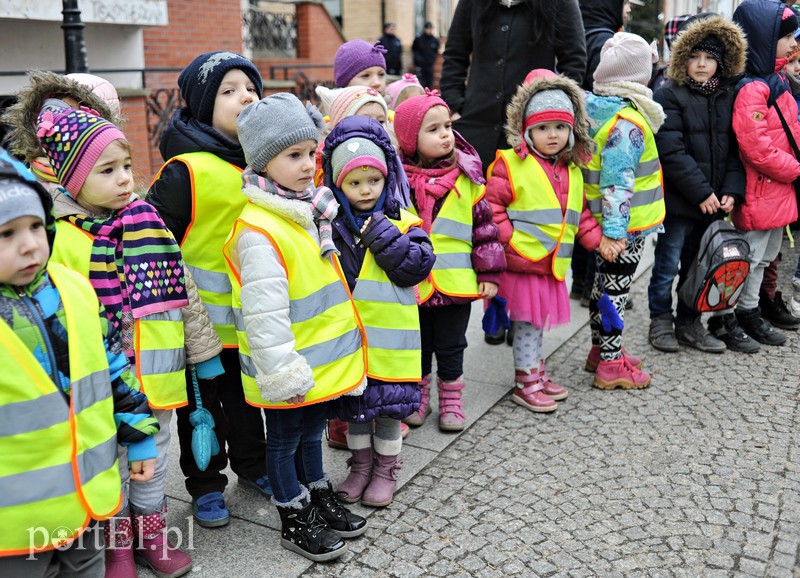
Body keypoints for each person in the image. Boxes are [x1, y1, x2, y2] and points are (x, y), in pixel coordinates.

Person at [36, 100, 223, 577]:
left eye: (125, 167)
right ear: (73, 180)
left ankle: (152, 537)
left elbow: (182, 288)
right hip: (101, 382)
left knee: (155, 455)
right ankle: (118, 546)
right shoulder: (60, 238)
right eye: (107, 171)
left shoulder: (149, 220)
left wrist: (202, 354)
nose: (124, 179)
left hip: (156, 371)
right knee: (111, 461)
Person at [0, 147, 159, 576]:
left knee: (89, 567)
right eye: (6, 234)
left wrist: (141, 436)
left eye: (36, 225)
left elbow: (112, 369)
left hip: (86, 495)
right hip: (15, 523)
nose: (30, 244)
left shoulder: (73, 289)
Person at [223, 93, 368, 562]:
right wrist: (283, 371)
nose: (309, 165)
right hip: (286, 367)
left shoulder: (304, 210)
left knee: (311, 433)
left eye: (311, 153)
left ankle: (317, 496)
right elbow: (264, 315)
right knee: (284, 440)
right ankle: (293, 514)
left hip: (316, 361)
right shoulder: (259, 230)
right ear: (265, 163)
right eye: (294, 156)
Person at [146, 51, 270, 528]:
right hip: (202, 330)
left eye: (250, 88)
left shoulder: (264, 161)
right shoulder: (185, 172)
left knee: (247, 406)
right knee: (203, 412)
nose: (246, 96)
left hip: (251, 319)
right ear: (202, 105)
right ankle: (205, 485)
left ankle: (254, 466)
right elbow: (156, 242)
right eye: (229, 90)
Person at [321, 116, 435, 506]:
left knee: (387, 415)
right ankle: (360, 467)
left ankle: (385, 470)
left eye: (374, 180)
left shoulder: (403, 221)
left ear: (388, 179)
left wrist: (382, 234)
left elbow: (418, 265)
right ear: (338, 184)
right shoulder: (330, 226)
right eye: (354, 183)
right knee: (355, 414)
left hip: (391, 349)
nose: (365, 190)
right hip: (351, 346)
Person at [486, 69, 610, 412]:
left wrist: (598, 241)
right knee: (526, 325)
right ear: (526, 131)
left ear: (571, 131)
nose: (551, 135)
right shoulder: (510, 164)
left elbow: (580, 215)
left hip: (549, 265)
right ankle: (525, 382)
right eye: (542, 128)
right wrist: (509, 242)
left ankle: (536, 373)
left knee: (536, 324)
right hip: (521, 264)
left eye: (559, 127)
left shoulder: (570, 169)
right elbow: (491, 208)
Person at [394, 91, 505, 431]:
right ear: (410, 139)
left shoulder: (467, 180)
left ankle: (452, 399)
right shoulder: (398, 183)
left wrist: (489, 272)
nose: (446, 134)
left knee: (453, 343)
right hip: (414, 283)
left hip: (455, 282)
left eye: (448, 126)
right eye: (433, 129)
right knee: (419, 343)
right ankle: (419, 394)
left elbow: (485, 230)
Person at [646, 14, 749, 355]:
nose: (702, 64)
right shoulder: (669, 96)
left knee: (698, 265)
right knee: (667, 263)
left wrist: (731, 192)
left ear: (721, 63)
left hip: (714, 203)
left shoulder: (728, 96)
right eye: (695, 57)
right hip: (680, 201)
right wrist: (701, 192)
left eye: (709, 58)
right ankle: (660, 319)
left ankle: (689, 321)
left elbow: (736, 150)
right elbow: (671, 151)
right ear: (682, 58)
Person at [584, 32, 666, 389]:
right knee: (615, 293)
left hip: (600, 220)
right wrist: (616, 234)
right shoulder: (627, 122)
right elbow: (617, 182)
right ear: (639, 78)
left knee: (602, 287)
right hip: (623, 228)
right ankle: (611, 363)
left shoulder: (594, 110)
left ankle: (599, 349)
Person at [719, 0, 800, 348]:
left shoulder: (775, 79)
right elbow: (756, 147)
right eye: (786, 37)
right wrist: (796, 168)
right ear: (765, 41)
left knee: (766, 256)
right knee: (749, 258)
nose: (794, 43)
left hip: (777, 189)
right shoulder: (754, 87)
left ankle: (751, 309)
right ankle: (738, 313)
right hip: (762, 187)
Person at [440, 0, 587, 172]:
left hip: (531, 138)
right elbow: (454, 54)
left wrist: (551, 117)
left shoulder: (560, 3)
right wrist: (455, 104)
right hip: (475, 131)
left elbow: (574, 62)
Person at [1, 70, 123, 193]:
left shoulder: (114, 186)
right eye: (49, 110)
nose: (56, 124)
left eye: (70, 116)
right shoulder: (21, 185)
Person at [412, 22, 441, 89]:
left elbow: (436, 51)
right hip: (420, 65)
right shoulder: (419, 39)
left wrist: (432, 59)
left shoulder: (434, 40)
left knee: (429, 81)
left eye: (430, 29)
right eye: (428, 29)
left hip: (430, 64)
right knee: (420, 81)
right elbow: (414, 50)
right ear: (425, 29)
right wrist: (418, 60)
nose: (429, 30)